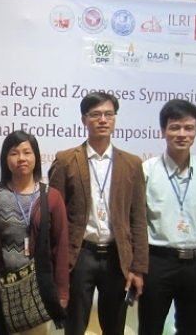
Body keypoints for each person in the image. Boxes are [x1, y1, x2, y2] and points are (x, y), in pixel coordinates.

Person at [48, 92, 148, 335]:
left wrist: (138, 267)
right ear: (84, 119)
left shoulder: (132, 163)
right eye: (95, 114)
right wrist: (55, 265)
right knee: (75, 324)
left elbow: (138, 218)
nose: (102, 119)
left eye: (108, 114)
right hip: (80, 255)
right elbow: (54, 218)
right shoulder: (65, 160)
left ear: (114, 119)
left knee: (114, 326)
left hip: (116, 256)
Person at [137, 99, 196, 335]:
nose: (182, 134)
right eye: (174, 127)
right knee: (150, 327)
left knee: (195, 329)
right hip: (158, 262)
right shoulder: (146, 171)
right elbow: (137, 224)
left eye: (188, 128)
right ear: (163, 131)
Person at [0, 130, 69, 335]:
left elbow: (61, 247)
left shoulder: (51, 196)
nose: (21, 158)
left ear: (36, 157)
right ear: (5, 158)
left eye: (27, 152)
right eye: (14, 153)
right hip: (4, 287)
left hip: (40, 286)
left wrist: (62, 291)